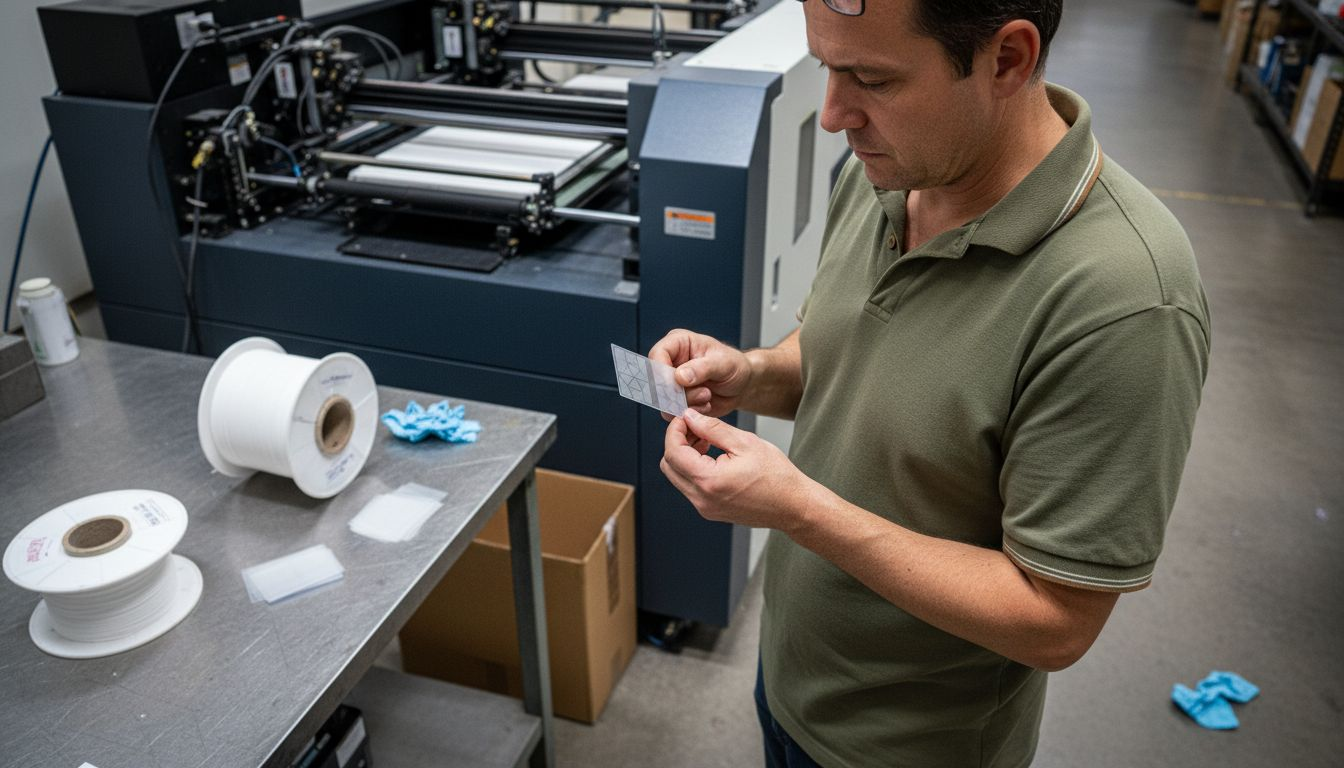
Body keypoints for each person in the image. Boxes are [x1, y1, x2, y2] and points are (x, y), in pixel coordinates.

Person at [650, 0, 1212, 766]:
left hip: (904, 746)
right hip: (790, 680)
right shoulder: (886, 174)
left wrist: (801, 510)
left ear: (1007, 59)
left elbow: (1055, 619)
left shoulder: (1123, 299)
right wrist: (749, 374)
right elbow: (838, 351)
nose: (833, 116)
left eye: (872, 79)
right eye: (827, 68)